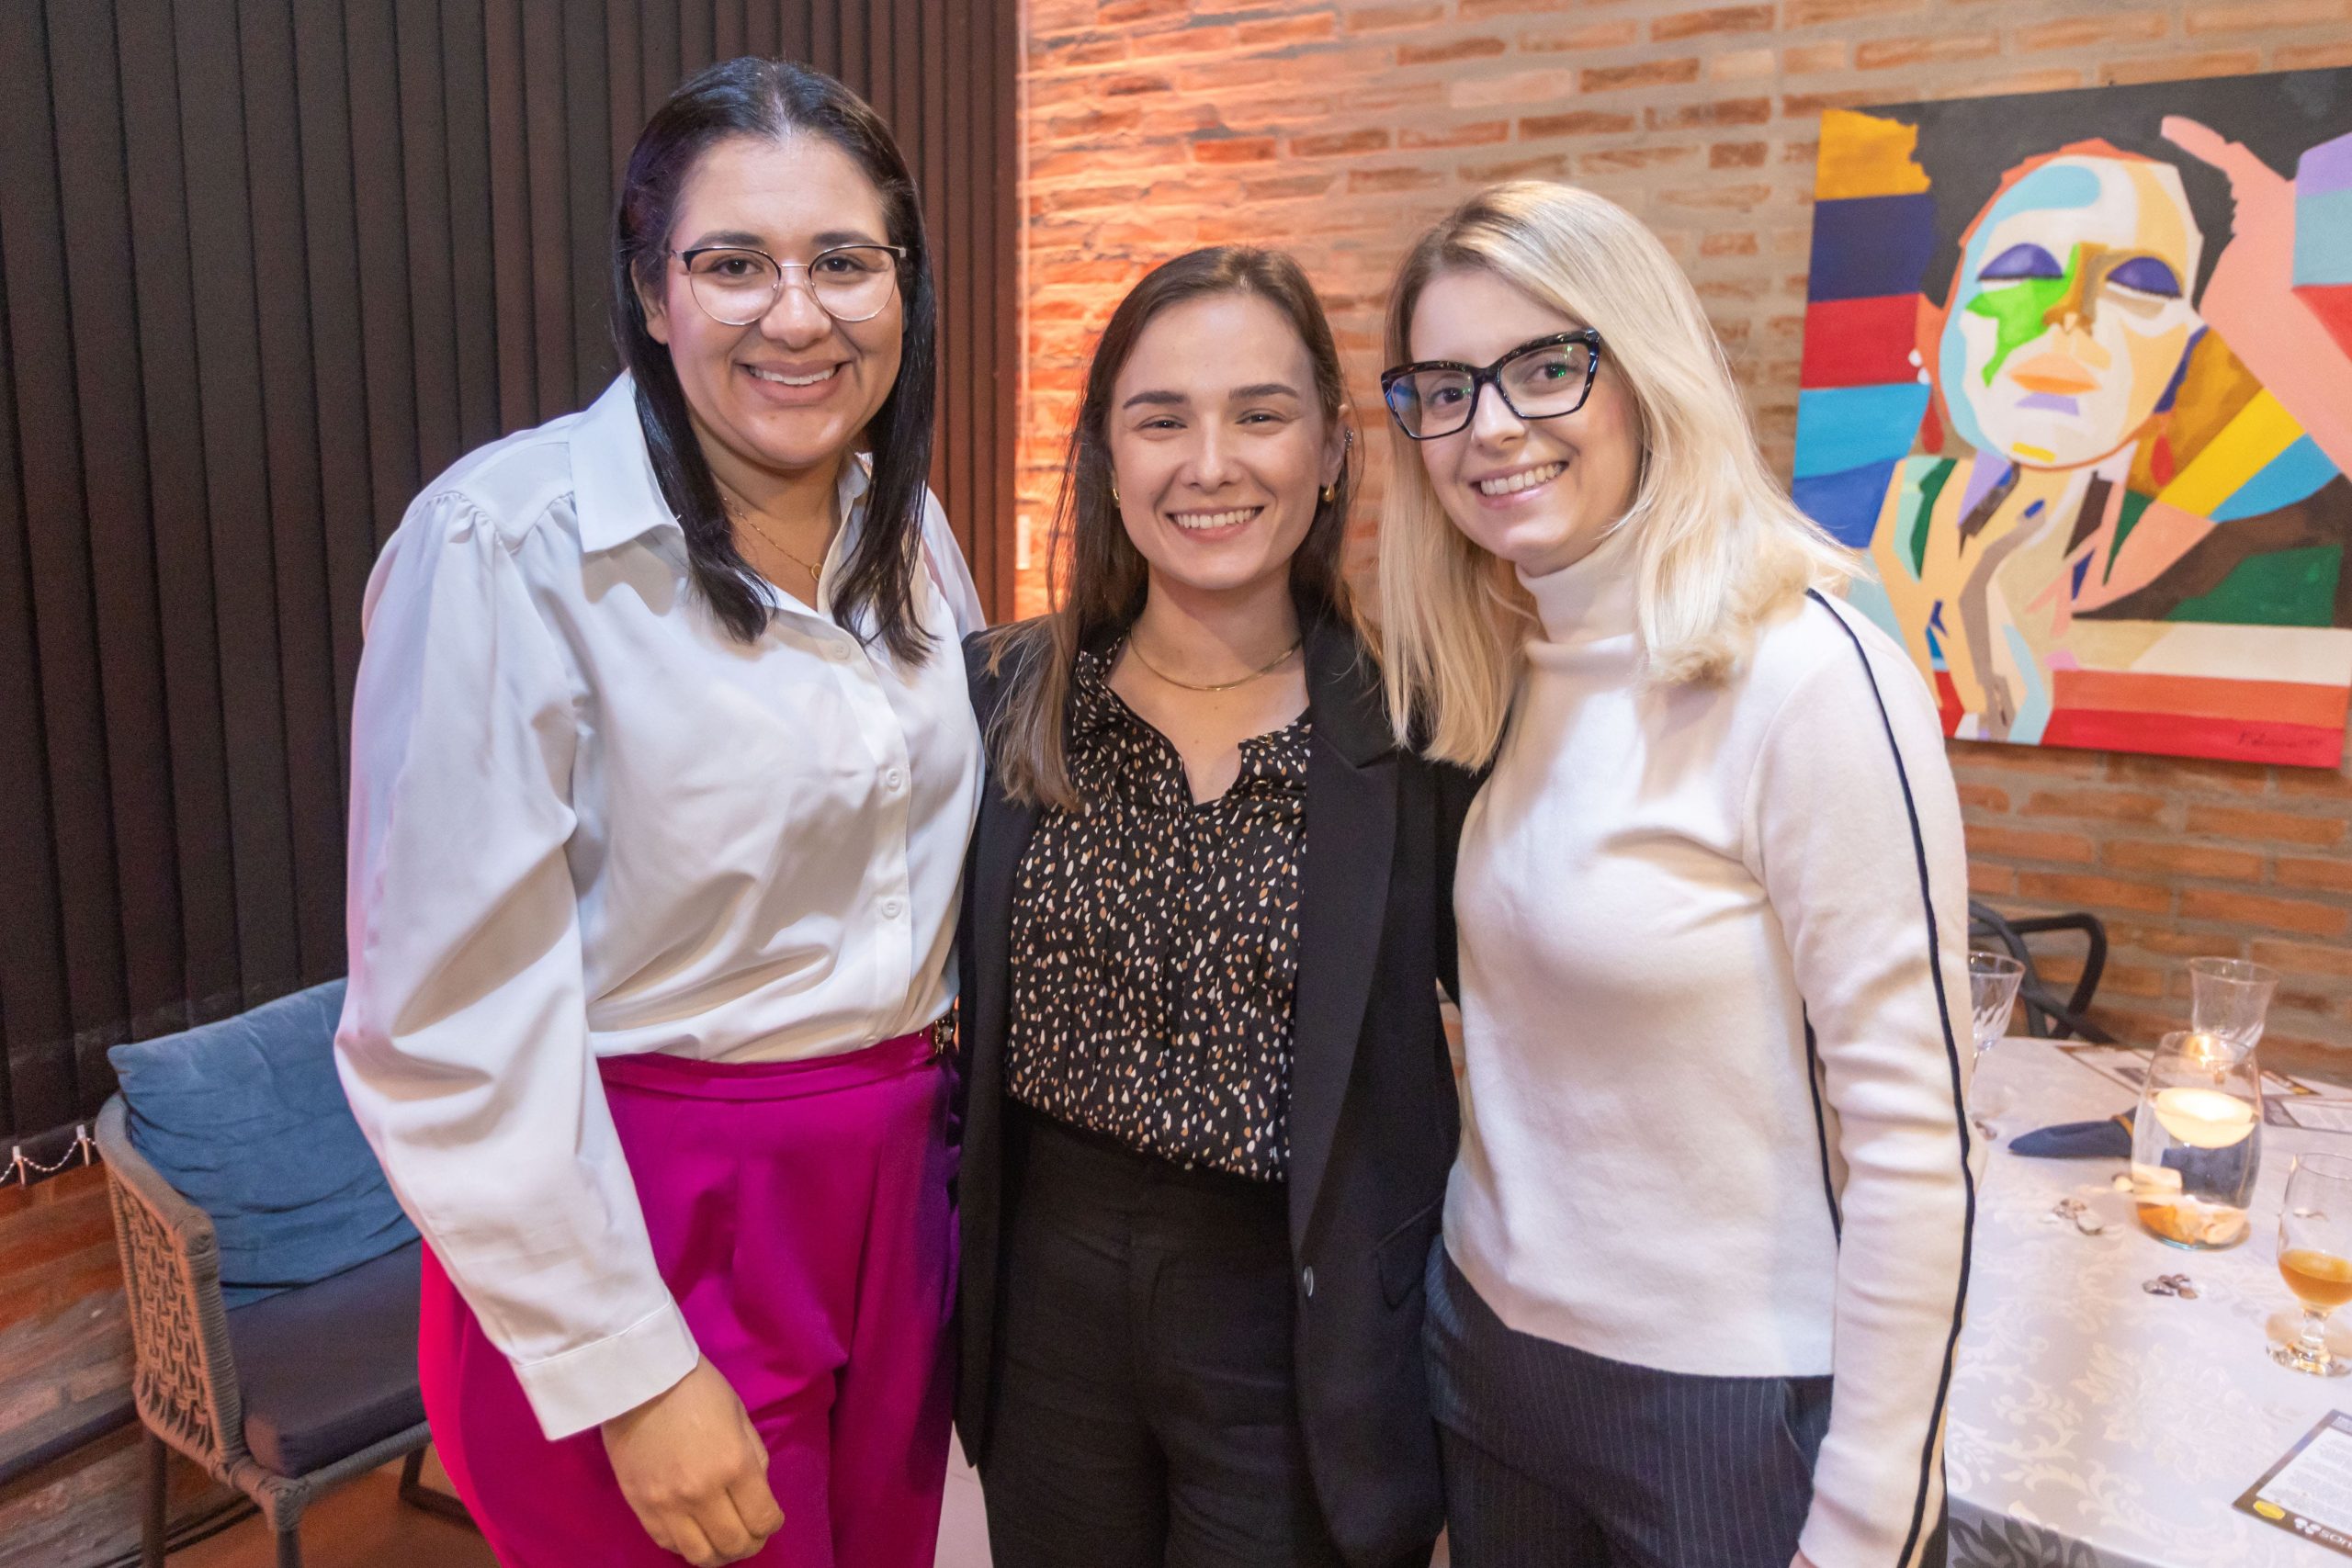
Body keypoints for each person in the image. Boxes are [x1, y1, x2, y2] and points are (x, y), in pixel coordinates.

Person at [335, 58, 979, 1568]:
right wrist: (629, 1368)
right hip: (652, 1221)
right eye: (734, 264)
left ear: (903, 284)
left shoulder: (906, 526)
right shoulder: (507, 544)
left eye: (844, 261)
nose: (797, 315)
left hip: (900, 1208)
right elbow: (443, 1021)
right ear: (650, 290)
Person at [1374, 180, 1974, 1568]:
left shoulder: (1810, 674)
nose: (1492, 426)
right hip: (1492, 1363)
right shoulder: (1495, 670)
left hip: (1727, 1406)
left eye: (1545, 367)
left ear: (1643, 371)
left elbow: (1914, 1144)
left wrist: (1869, 1526)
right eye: (1446, 389)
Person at [956, 245, 1469, 1568]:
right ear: (1104, 456)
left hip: (1298, 1319)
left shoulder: (1424, 730)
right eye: (1160, 419)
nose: (1210, 463)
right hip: (1047, 1304)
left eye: (1259, 413)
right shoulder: (1002, 698)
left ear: (1332, 449)